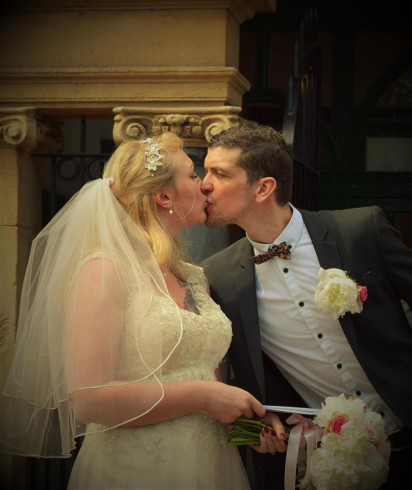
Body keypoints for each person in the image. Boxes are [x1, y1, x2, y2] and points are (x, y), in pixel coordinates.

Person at [0, 133, 285, 490]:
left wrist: (246, 426)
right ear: (164, 197)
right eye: (193, 175)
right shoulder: (104, 270)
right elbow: (88, 401)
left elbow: (206, 374)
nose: (204, 185)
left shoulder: (196, 278)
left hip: (210, 465)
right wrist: (204, 395)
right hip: (134, 468)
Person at [200, 124, 412, 490]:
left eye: (219, 173)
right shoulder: (218, 277)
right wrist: (254, 426)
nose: (204, 184)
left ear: (264, 188)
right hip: (335, 461)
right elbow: (226, 374)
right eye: (204, 171)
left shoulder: (361, 230)